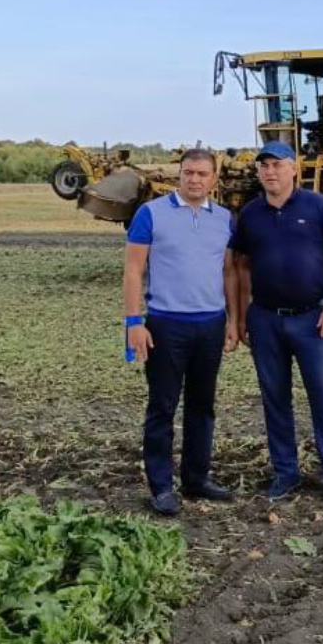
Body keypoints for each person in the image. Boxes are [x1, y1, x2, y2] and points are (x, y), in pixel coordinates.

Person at [230, 140, 323, 508]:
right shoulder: (250, 214)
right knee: (275, 399)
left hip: (312, 320)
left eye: (277, 164)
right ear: (258, 173)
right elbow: (238, 265)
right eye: (264, 166)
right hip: (266, 320)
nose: (270, 171)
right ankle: (286, 473)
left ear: (293, 170)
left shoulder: (318, 206)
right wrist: (239, 318)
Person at [123, 148, 239, 516]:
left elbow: (229, 272)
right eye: (188, 172)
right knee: (163, 406)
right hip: (166, 324)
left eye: (203, 174)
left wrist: (233, 320)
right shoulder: (151, 214)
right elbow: (133, 270)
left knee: (202, 406)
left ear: (214, 179)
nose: (195, 180)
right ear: (179, 174)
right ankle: (160, 486)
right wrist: (134, 321)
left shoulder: (224, 219)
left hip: (210, 324)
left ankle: (196, 478)